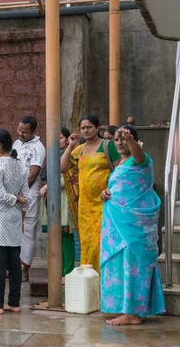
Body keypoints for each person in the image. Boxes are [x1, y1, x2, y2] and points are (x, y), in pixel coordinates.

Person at [100, 126, 165, 326]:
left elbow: (139, 155)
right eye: (117, 140)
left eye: (123, 139)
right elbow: (118, 188)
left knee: (132, 265)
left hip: (134, 226)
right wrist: (105, 193)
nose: (119, 143)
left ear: (134, 140)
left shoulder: (141, 161)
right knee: (119, 266)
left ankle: (133, 313)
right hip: (116, 226)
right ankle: (124, 308)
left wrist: (130, 140)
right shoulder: (120, 163)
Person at [61, 115, 120, 273]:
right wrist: (70, 145)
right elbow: (62, 167)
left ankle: (105, 277)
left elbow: (119, 172)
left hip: (105, 203)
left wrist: (111, 191)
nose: (86, 130)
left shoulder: (108, 146)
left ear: (97, 128)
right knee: (87, 243)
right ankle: (90, 277)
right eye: (83, 128)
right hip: (85, 205)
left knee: (101, 242)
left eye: (89, 127)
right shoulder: (79, 150)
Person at [0, 129, 29, 315]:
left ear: (0, 146)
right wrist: (20, 206)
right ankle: (14, 302)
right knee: (14, 263)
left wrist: (14, 199)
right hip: (14, 218)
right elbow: (27, 197)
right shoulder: (21, 166)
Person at [39, 127, 78, 281]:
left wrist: (48, 186)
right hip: (51, 199)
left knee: (65, 236)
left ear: (68, 139)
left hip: (64, 198)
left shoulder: (72, 155)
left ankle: (67, 271)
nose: (57, 141)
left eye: (61, 137)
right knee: (54, 236)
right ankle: (58, 269)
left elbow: (69, 177)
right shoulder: (53, 155)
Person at [12, 115, 46, 282]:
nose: (20, 133)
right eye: (19, 130)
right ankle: (13, 267)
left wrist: (20, 193)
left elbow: (32, 175)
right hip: (14, 194)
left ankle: (25, 269)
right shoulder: (17, 144)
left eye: (24, 132)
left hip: (29, 194)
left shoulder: (38, 148)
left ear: (33, 131)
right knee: (13, 230)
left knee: (28, 231)